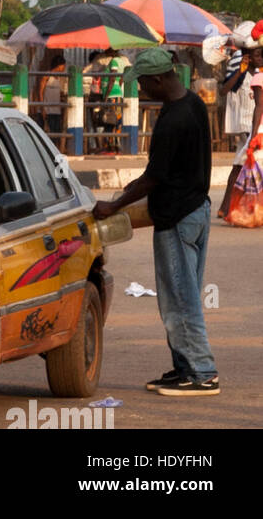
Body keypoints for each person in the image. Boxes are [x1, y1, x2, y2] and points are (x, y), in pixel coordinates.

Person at [94, 48, 219, 397]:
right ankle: (185, 367)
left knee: (180, 300)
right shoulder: (191, 103)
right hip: (196, 210)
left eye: (145, 83)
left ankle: (202, 372)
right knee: (185, 294)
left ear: (161, 79)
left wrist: (115, 204)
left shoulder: (172, 120)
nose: (142, 90)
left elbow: (154, 178)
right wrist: (132, 188)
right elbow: (160, 173)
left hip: (176, 217)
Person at [218, 48, 263, 221]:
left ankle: (228, 207)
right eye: (256, 56)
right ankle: (228, 207)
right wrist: (240, 70)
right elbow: (225, 90)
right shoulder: (244, 74)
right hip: (246, 124)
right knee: (240, 165)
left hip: (254, 126)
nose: (259, 59)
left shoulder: (260, 75)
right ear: (248, 58)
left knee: (240, 165)